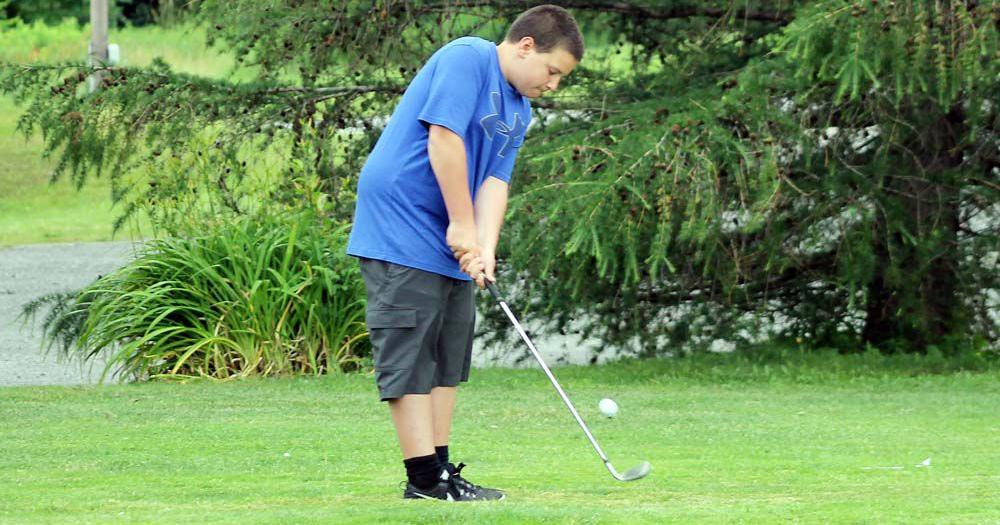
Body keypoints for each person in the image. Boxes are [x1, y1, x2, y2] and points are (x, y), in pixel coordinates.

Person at [346, 4, 583, 502]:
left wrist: (484, 247)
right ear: (525, 47)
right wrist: (462, 223)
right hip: (402, 222)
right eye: (553, 71)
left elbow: (495, 180)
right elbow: (444, 137)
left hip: (451, 231)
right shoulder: (468, 57)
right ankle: (424, 481)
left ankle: (441, 470)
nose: (553, 85)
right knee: (409, 352)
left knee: (447, 354)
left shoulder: (520, 109)